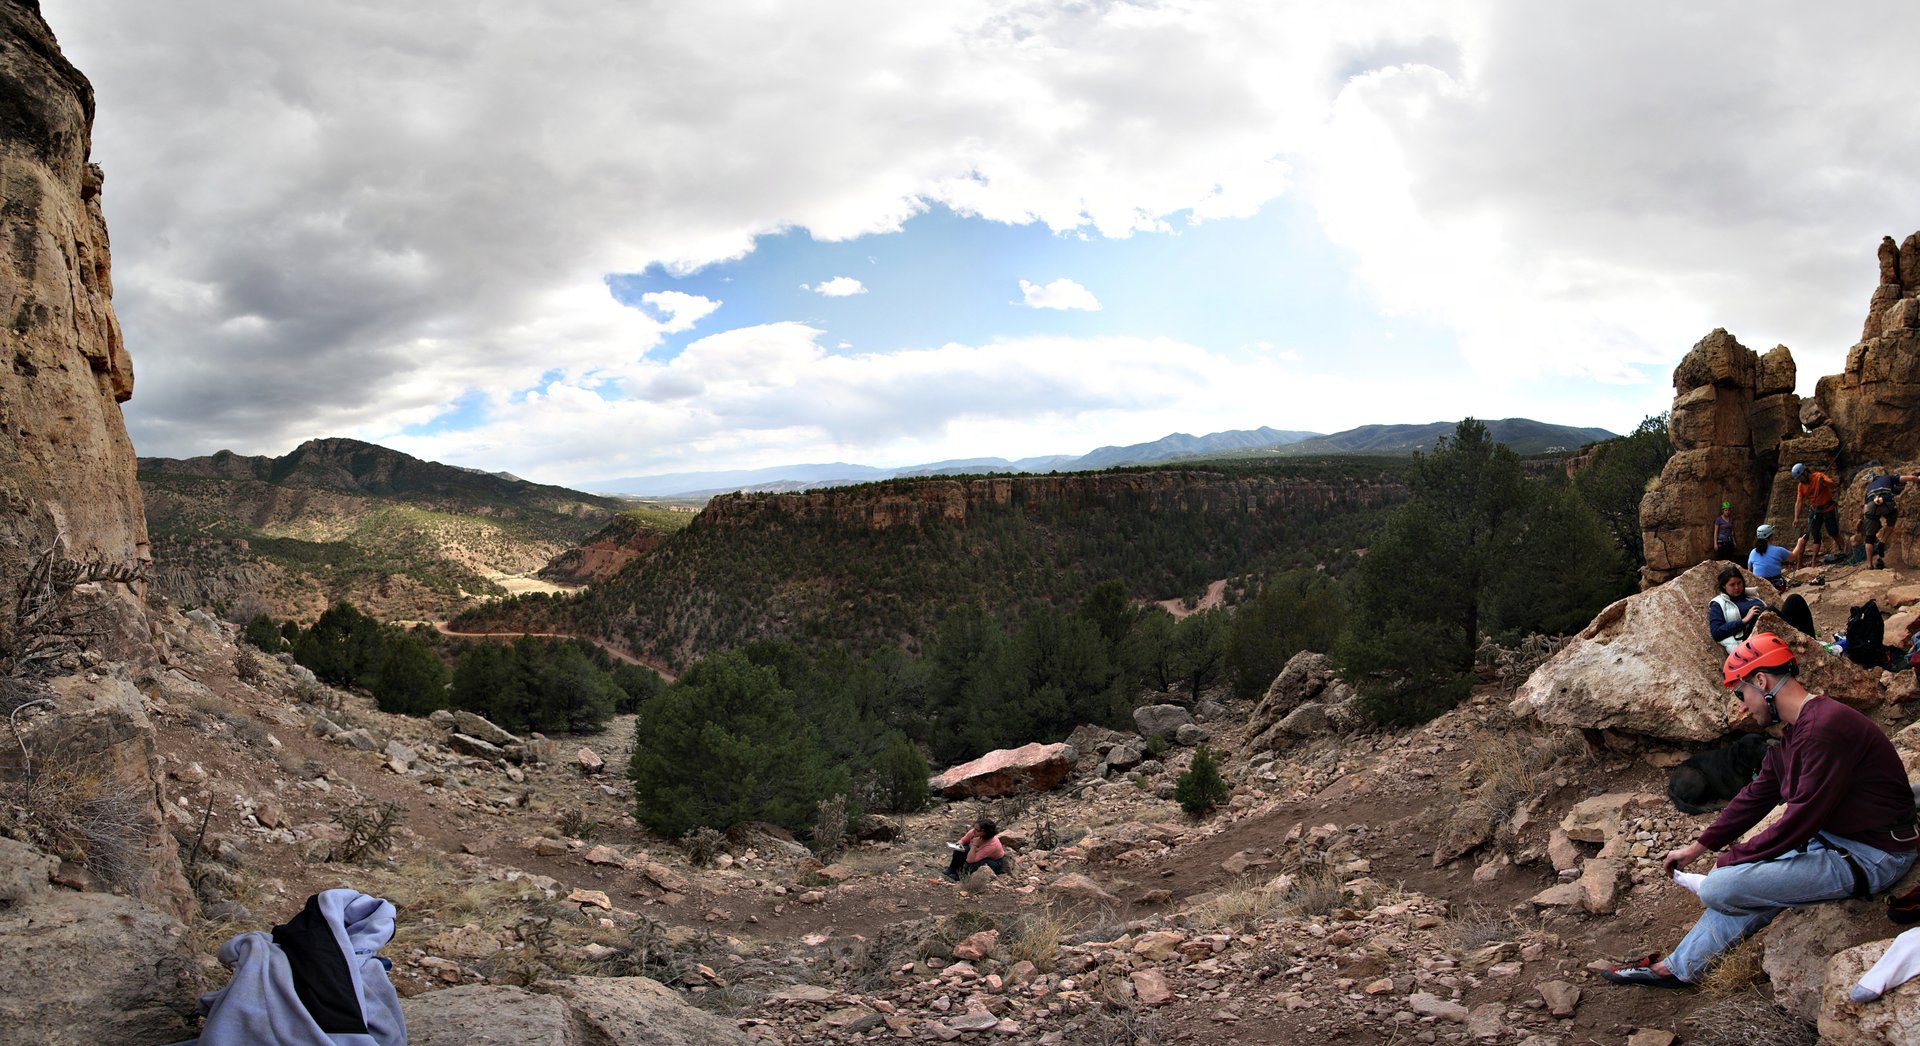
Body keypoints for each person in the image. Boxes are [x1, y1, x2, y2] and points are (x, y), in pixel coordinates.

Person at [1598, 633, 1919, 989]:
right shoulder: (1798, 731)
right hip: (1836, 839)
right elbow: (1755, 795)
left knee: (1720, 888)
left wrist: (1732, 859)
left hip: (1873, 855)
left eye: (1741, 693)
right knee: (1736, 884)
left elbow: (1800, 820)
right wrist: (1698, 848)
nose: (1742, 707)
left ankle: (1678, 964)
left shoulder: (1823, 730)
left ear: (1761, 681)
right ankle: (1677, 968)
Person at [1857, 471, 1919, 570]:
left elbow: (1865, 508)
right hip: (1887, 503)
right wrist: (1918, 480)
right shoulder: (1888, 477)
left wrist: (1867, 518)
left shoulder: (1869, 487)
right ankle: (1882, 541)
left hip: (1871, 506)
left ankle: (1869, 565)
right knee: (1891, 520)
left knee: (1869, 538)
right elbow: (1910, 478)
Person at [1707, 566, 1768, 652]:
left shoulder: (1750, 595)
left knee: (1792, 600)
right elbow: (1716, 632)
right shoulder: (1718, 604)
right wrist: (1744, 620)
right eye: (1732, 585)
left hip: (1767, 624)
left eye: (1739, 583)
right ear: (1724, 586)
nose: (1737, 587)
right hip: (1749, 637)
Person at [1792, 463, 1840, 565]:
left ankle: (1843, 550)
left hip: (1828, 509)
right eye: (1798, 479)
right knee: (1815, 535)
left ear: (1805, 472)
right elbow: (1799, 501)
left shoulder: (1818, 476)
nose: (1800, 480)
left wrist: (1824, 482)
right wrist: (1796, 517)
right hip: (1815, 510)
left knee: (1833, 532)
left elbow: (1833, 485)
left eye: (1800, 477)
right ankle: (1813, 562)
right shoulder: (1801, 486)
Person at [943, 819, 1011, 880]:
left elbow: (970, 860)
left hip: (992, 860)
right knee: (958, 851)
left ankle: (961, 876)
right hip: (975, 851)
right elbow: (963, 840)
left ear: (985, 832)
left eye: (977, 830)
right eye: (974, 828)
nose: (974, 831)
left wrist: (974, 845)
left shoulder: (991, 845)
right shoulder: (973, 832)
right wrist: (957, 845)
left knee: (971, 865)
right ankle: (952, 869)